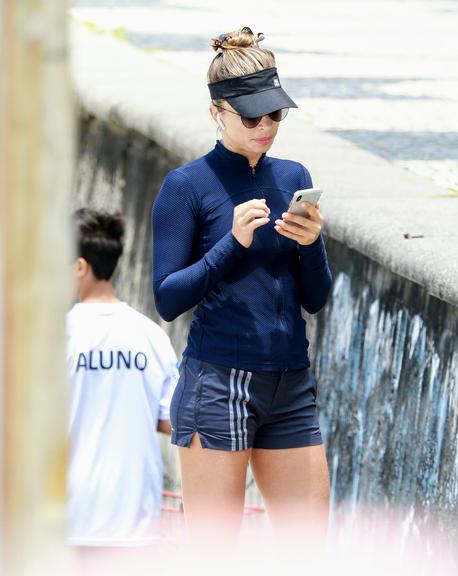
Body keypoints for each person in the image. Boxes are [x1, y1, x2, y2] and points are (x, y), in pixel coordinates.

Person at [152, 27, 332, 546]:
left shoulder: (292, 174)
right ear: (217, 113)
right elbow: (167, 299)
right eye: (251, 116)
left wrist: (312, 242)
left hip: (290, 383)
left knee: (309, 549)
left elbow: (315, 300)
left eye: (275, 114)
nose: (265, 127)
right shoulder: (186, 186)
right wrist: (232, 243)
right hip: (217, 383)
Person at [66, 207, 179, 555]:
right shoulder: (151, 336)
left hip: (69, 518)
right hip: (137, 520)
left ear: (80, 267)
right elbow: (173, 421)